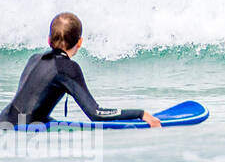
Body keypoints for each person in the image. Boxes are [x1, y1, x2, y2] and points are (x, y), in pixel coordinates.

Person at [0, 12, 161, 128]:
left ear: (49, 39)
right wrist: (141, 114)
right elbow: (96, 114)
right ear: (80, 42)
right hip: (18, 134)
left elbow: (28, 106)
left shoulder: (35, 58)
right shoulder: (67, 68)